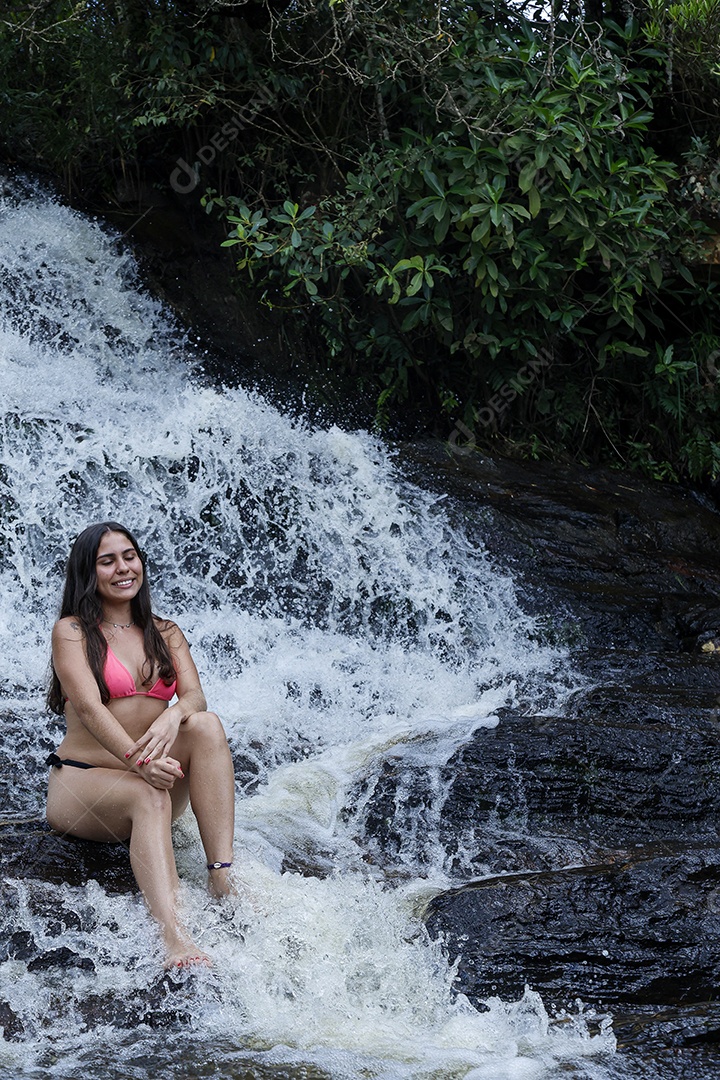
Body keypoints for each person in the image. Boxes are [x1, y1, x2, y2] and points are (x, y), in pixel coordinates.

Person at [46, 521, 236, 969]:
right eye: (107, 561)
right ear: (88, 573)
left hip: (151, 771)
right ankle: (175, 937)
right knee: (148, 793)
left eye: (129, 556)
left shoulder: (165, 631)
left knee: (206, 724)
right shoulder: (72, 631)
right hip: (85, 784)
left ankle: (222, 878)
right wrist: (139, 763)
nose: (122, 568)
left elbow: (194, 696)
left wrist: (174, 713)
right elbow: (91, 710)